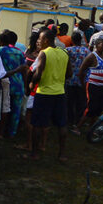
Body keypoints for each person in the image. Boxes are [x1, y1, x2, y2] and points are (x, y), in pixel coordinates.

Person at [26, 30, 70, 161]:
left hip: (44, 92)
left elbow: (38, 73)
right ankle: (62, 154)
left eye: (40, 39)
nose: (39, 41)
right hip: (60, 93)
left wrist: (32, 84)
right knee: (62, 125)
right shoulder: (64, 53)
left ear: (46, 40)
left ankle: (35, 153)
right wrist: (58, 78)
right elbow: (70, 73)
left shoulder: (44, 53)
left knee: (38, 124)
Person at [75, 38, 103, 133]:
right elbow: (81, 71)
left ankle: (92, 128)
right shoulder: (92, 57)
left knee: (99, 108)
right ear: (96, 45)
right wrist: (84, 85)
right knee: (90, 108)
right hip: (93, 85)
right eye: (102, 45)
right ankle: (78, 127)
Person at [64, 32, 90, 134]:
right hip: (81, 81)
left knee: (69, 102)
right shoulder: (87, 51)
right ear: (81, 40)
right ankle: (78, 120)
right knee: (80, 102)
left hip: (69, 79)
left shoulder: (68, 51)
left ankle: (70, 120)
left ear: (72, 40)